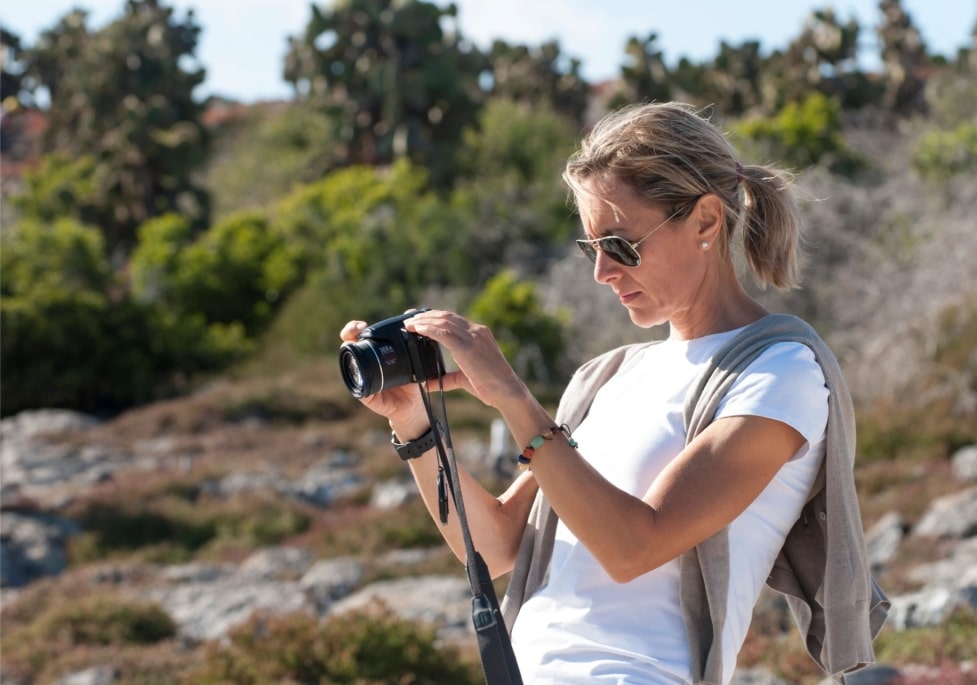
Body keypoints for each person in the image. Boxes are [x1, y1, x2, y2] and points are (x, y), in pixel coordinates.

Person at [340, 101, 888, 684]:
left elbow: (633, 546)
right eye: (591, 248)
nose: (602, 272)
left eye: (621, 246)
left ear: (705, 221)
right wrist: (415, 426)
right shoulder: (608, 377)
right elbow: (498, 545)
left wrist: (513, 398)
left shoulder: (779, 373)